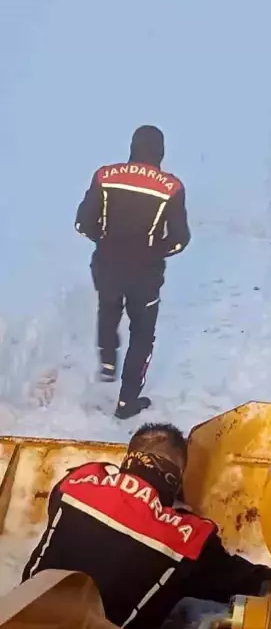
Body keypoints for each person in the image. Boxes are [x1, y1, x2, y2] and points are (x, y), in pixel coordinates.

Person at [22, 422, 271, 629]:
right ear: (175, 479)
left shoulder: (74, 482)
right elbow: (243, 581)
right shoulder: (186, 538)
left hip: (18, 621)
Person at [75, 125, 191, 419]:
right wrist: (157, 250)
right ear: (161, 152)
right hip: (145, 274)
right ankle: (127, 402)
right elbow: (180, 238)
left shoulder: (105, 176)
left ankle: (107, 359)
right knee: (142, 335)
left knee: (109, 305)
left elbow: (82, 223)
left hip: (106, 265)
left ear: (132, 148)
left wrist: (102, 239)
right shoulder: (171, 187)